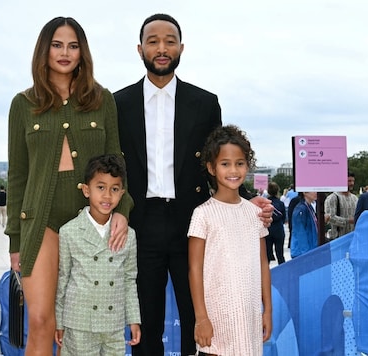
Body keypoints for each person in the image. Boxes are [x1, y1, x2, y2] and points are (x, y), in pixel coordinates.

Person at [113, 13, 272, 355]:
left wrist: (246, 200)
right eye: (153, 41)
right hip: (141, 221)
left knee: (198, 319)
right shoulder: (118, 103)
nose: (161, 48)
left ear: (181, 48)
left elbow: (217, 162)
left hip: (194, 222)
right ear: (140, 49)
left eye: (169, 41)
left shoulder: (204, 102)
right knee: (147, 322)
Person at [5, 16, 134, 354]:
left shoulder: (102, 100)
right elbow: (17, 177)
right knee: (41, 322)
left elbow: (116, 161)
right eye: (57, 45)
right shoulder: (22, 104)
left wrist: (122, 209)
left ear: (82, 52)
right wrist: (14, 243)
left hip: (92, 223)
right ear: (44, 51)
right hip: (40, 223)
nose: (65, 52)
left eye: (73, 45)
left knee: (79, 326)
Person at [188, 125, 272, 355]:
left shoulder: (255, 214)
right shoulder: (202, 214)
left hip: (250, 316)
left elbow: (263, 264)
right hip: (216, 319)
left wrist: (268, 311)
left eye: (240, 163)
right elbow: (195, 269)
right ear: (211, 168)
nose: (233, 170)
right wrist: (201, 318)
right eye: (225, 164)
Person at [55, 154, 140, 355]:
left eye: (115, 189)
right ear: (86, 190)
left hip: (114, 323)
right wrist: (59, 320)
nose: (107, 196)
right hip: (79, 322)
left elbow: (129, 280)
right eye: (100, 187)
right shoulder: (69, 231)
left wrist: (134, 319)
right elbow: (63, 279)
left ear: (122, 193)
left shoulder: (128, 235)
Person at [324, 172, 358, 240]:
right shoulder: (332, 198)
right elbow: (330, 218)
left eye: (353, 181)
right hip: (337, 239)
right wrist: (347, 221)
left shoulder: (355, 198)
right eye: (349, 181)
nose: (352, 183)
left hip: (352, 238)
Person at [291, 192, 319, 258]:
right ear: (304, 192)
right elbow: (300, 232)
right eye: (312, 190)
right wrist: (305, 253)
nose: (316, 192)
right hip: (302, 252)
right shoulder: (301, 209)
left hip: (310, 248)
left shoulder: (309, 207)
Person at [266, 182, 286, 265]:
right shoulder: (281, 203)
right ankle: (283, 270)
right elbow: (284, 218)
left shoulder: (266, 203)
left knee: (267, 254)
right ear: (277, 190)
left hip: (268, 229)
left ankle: (265, 273)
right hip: (278, 229)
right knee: (280, 254)